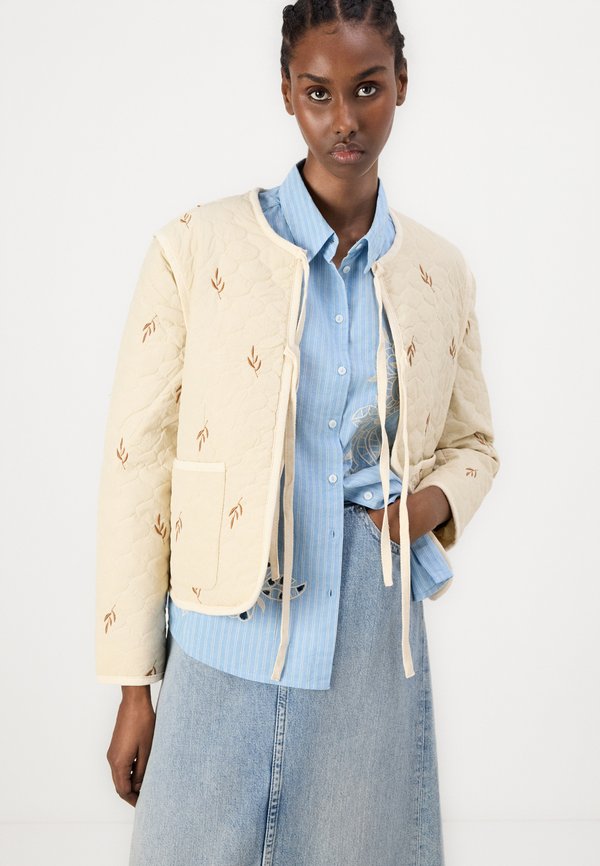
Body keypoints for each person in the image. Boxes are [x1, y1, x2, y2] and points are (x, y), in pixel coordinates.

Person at [96, 2, 500, 864]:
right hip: (220, 631)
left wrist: (428, 505)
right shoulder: (195, 248)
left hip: (370, 640)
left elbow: (475, 443)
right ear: (287, 92)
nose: (344, 119)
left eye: (368, 89)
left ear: (402, 86)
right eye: (319, 93)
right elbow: (138, 467)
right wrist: (134, 686)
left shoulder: (440, 271)